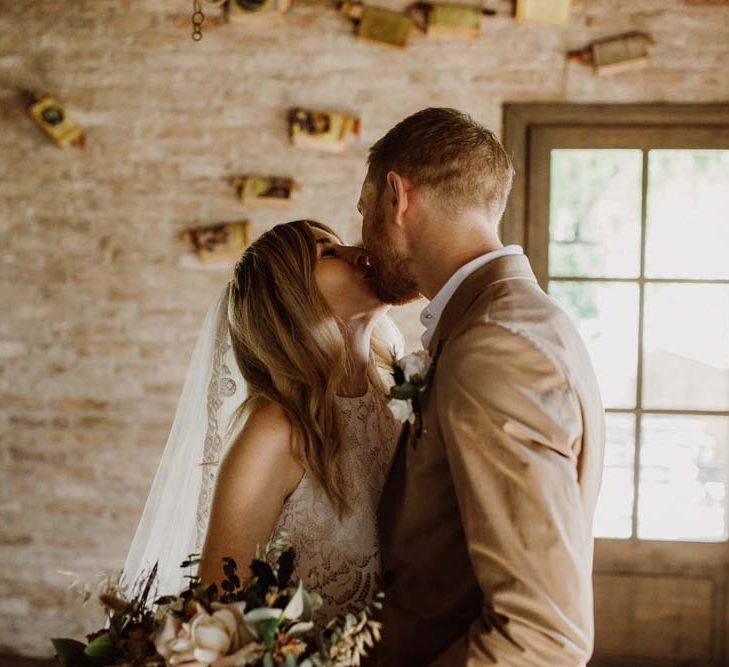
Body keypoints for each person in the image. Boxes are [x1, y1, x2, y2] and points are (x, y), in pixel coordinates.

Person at [359, 108, 606, 666]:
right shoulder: (505, 322)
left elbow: (544, 636)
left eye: (363, 209)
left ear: (397, 196)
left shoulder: (496, 348)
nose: (362, 240)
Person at [122, 220, 402, 621]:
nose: (359, 252)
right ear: (292, 298)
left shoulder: (398, 395)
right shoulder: (276, 429)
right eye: (327, 253)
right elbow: (218, 613)